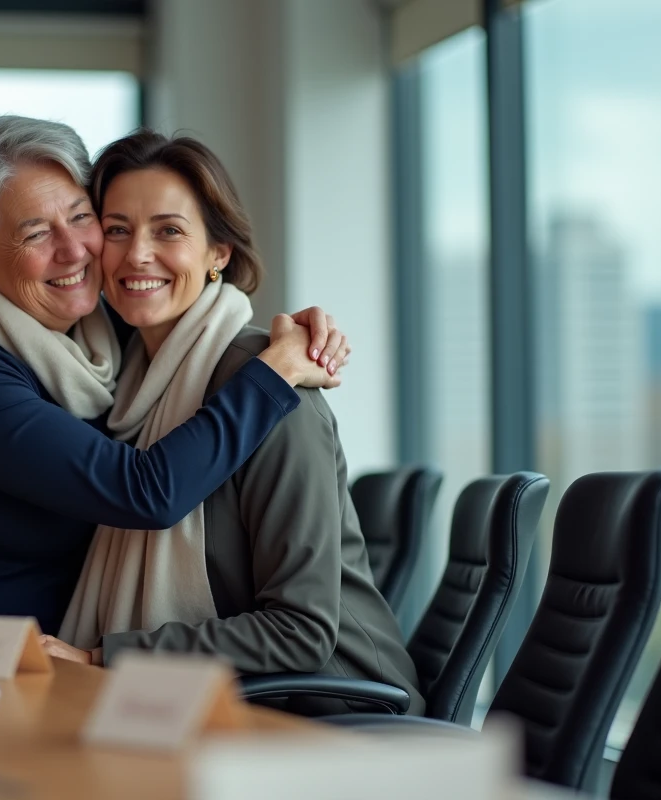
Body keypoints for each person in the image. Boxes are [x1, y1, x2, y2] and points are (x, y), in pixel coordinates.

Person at [0, 116, 349, 636]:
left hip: (15, 666)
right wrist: (274, 372)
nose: (74, 251)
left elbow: (175, 296)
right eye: (36, 233)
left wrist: (307, 329)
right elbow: (144, 492)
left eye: (81, 217)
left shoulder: (99, 338)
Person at [43, 131, 423, 716]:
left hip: (329, 708)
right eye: (117, 230)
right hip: (223, 699)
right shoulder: (128, 386)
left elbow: (299, 632)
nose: (137, 254)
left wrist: (102, 658)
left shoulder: (270, 386)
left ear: (219, 253)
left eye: (168, 230)